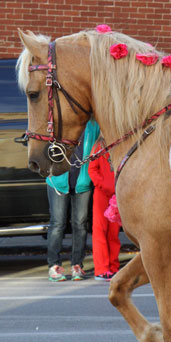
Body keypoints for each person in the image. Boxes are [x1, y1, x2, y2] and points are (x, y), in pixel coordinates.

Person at [47, 120, 100, 282]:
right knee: (57, 224)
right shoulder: (57, 125)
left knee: (80, 224)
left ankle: (77, 264)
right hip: (57, 181)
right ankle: (54, 265)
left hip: (82, 182)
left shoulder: (92, 126)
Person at [88, 138, 121, 281]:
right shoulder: (98, 146)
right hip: (102, 194)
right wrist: (105, 186)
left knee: (113, 233)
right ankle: (101, 269)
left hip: (116, 194)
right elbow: (92, 169)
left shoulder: (119, 143)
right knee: (100, 231)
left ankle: (113, 267)